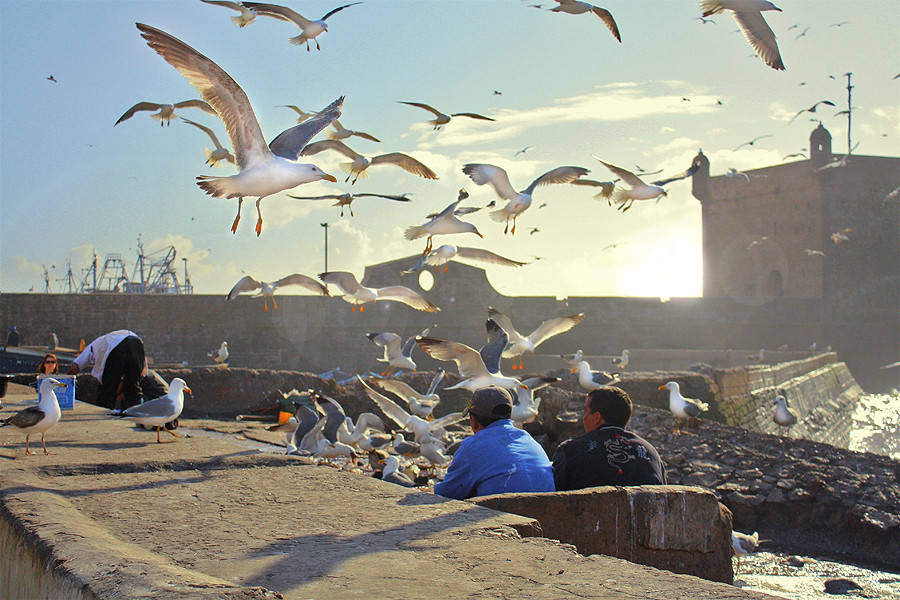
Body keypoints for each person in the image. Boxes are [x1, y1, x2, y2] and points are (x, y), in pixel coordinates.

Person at [433, 387, 555, 500]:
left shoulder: (472, 446)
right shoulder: (528, 439)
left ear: (473, 421)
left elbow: (447, 493)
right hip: (546, 514)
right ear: (509, 415)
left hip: (506, 516)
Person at [552, 386, 667, 491]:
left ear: (597, 418)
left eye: (585, 412)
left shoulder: (570, 451)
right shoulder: (651, 453)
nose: (584, 418)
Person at [68, 329, 148, 411]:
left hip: (116, 346)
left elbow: (77, 364)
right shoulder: (102, 342)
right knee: (133, 388)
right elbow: (140, 372)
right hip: (137, 343)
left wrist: (66, 381)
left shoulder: (95, 344)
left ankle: (105, 410)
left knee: (107, 390)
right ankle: (135, 411)